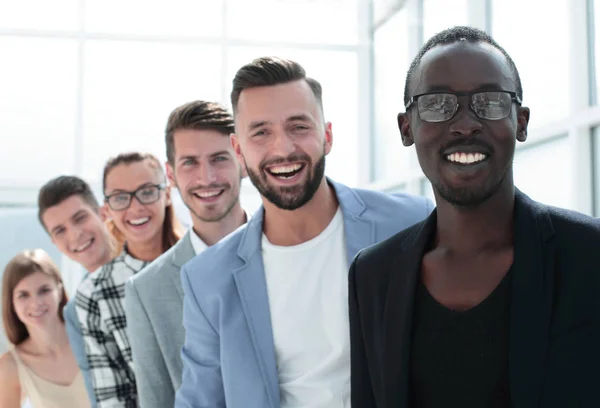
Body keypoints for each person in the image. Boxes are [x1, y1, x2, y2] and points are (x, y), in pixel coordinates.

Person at [348, 26, 600, 408]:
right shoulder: (373, 276)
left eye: (490, 101)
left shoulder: (589, 255)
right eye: (437, 103)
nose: (466, 123)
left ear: (521, 122)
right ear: (406, 128)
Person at [174, 56, 433, 408]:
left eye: (299, 126)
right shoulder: (207, 280)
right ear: (239, 150)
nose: (283, 148)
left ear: (326, 136)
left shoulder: (410, 223)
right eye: (261, 132)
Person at [125, 100, 248, 408]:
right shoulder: (146, 290)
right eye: (190, 163)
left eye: (219, 158)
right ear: (171, 174)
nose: (206, 178)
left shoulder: (287, 250)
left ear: (242, 160)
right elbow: (157, 398)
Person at [76, 152, 184, 408]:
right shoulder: (94, 293)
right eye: (121, 198)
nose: (136, 207)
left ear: (167, 194)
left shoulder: (203, 259)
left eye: (147, 192)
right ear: (107, 210)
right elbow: (113, 397)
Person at [38, 175, 120, 408]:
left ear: (103, 213)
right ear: (54, 243)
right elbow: (99, 394)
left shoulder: (151, 266)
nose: (74, 235)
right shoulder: (76, 313)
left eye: (80, 218)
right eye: (59, 230)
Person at [0, 249, 91, 408]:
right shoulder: (10, 366)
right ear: (11, 303)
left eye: (44, 290)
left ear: (60, 289)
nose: (36, 303)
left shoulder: (90, 338)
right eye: (23, 295)